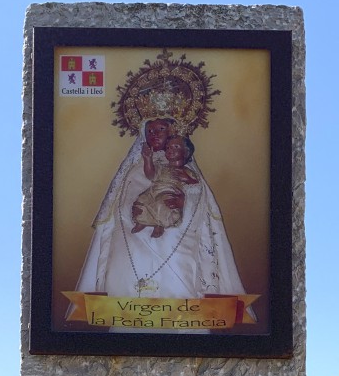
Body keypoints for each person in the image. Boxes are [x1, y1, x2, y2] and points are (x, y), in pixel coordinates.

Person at [73, 117, 248, 308]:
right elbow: (120, 201)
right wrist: (133, 211)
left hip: (174, 228)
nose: (154, 134)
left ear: (173, 134)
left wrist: (184, 200)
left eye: (161, 129)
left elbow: (197, 193)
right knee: (124, 255)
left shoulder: (184, 168)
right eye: (149, 131)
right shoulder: (133, 170)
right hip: (133, 230)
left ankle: (180, 307)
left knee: (179, 261)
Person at [131, 134, 198, 238]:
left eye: (176, 147)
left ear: (186, 152)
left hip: (170, 193)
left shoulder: (186, 171)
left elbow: (196, 189)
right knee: (141, 200)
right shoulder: (161, 167)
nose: (170, 149)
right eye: (168, 147)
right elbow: (150, 175)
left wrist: (188, 179)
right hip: (153, 191)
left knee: (163, 205)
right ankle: (142, 221)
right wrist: (147, 159)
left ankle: (159, 224)